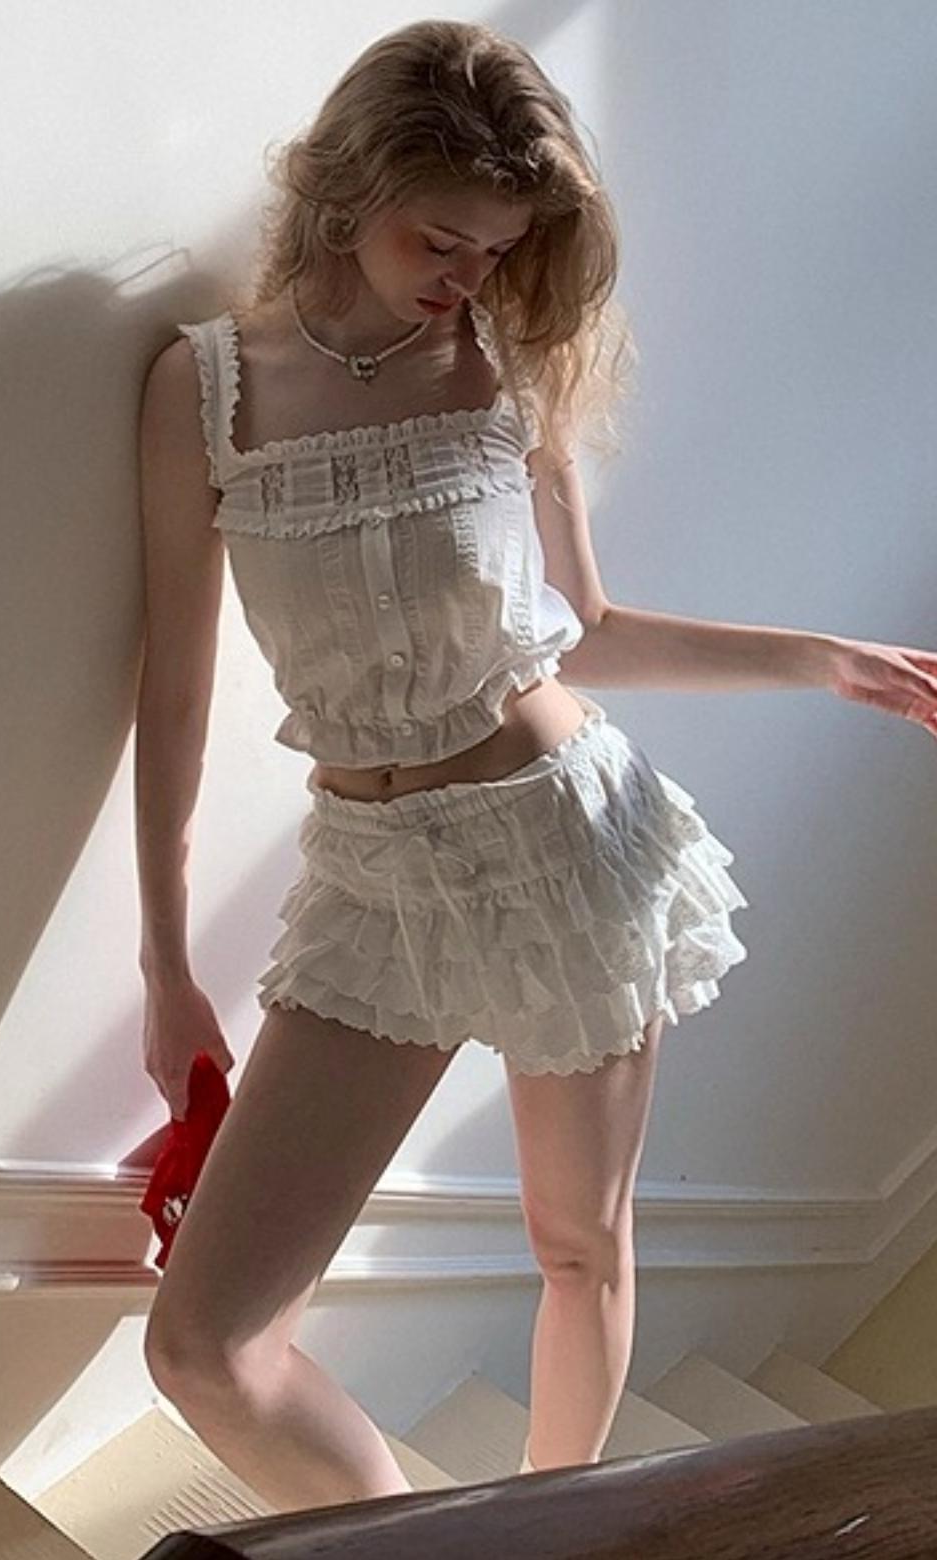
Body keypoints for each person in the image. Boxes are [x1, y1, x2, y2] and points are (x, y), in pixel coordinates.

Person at [134, 19, 937, 1515]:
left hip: (564, 842)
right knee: (206, 1346)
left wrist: (823, 661)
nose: (469, 276)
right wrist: (168, 963)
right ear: (348, 188)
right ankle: (418, 1543)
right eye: (441, 239)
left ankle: (549, 1529)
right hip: (370, 883)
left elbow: (592, 629)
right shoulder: (205, 391)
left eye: (499, 249)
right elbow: (171, 695)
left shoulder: (506, 369)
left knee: (579, 1246)